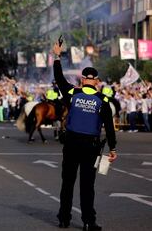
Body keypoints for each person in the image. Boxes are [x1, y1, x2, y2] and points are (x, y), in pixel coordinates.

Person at [53, 42, 117, 231]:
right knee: (87, 186)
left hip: (71, 144)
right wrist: (112, 148)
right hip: (91, 147)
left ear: (82, 80)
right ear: (96, 81)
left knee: (67, 183)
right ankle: (89, 222)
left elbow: (59, 78)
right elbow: (110, 128)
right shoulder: (103, 101)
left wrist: (57, 56)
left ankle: (64, 219)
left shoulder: (72, 93)